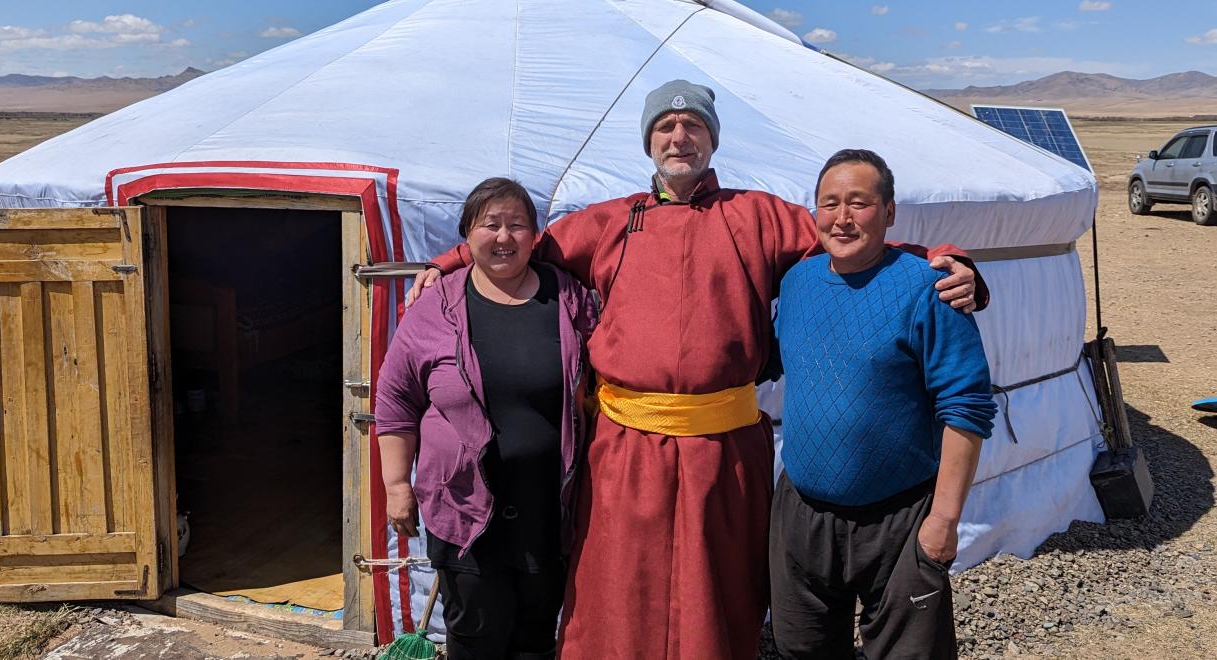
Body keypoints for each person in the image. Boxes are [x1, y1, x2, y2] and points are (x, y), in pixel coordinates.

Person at [408, 81, 987, 659]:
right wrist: (448, 260)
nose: (679, 137)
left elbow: (852, 240)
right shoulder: (609, 222)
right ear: (647, 142)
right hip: (626, 447)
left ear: (712, 139)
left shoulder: (758, 215)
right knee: (618, 593)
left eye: (693, 127)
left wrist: (950, 263)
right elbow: (520, 244)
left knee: (716, 596)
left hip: (725, 450)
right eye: (666, 127)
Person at [768, 149, 996, 659]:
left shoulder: (929, 288)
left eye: (859, 203)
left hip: (900, 517)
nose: (842, 218)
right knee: (801, 649)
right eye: (829, 204)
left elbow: (968, 406)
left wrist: (943, 521)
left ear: (889, 213)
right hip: (802, 514)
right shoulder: (797, 282)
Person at [374, 177, 596, 659]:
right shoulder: (436, 306)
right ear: (466, 236)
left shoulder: (570, 299)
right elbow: (396, 398)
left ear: (536, 236)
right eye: (489, 224)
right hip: (463, 511)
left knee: (535, 637)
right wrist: (396, 486)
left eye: (517, 225)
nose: (503, 237)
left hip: (548, 508)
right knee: (475, 636)